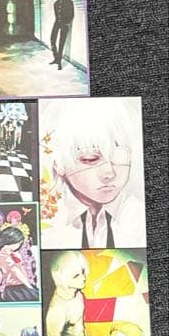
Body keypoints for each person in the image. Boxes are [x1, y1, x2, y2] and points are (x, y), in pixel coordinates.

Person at [41, 99, 147, 248]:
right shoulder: (45, 225)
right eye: (90, 159)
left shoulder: (140, 218)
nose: (110, 173)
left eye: (120, 155)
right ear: (58, 164)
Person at [45, 250, 88, 336]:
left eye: (83, 272)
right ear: (61, 278)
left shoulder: (78, 294)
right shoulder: (56, 310)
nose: (83, 278)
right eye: (76, 276)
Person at [50, 0, 74, 69]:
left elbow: (72, 14)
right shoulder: (55, 3)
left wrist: (67, 23)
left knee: (61, 42)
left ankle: (59, 61)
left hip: (64, 24)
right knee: (52, 39)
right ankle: (56, 58)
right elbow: (56, 15)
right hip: (57, 23)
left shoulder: (69, 2)